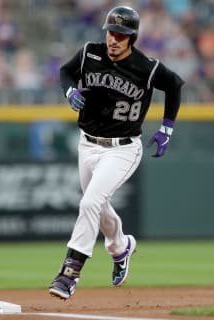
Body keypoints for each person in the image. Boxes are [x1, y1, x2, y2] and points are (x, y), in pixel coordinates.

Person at [48, 6, 184, 300]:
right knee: (98, 208)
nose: (114, 39)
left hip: (122, 149)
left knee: (90, 203)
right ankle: (121, 247)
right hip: (87, 144)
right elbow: (66, 71)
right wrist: (69, 91)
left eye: (121, 35)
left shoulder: (146, 68)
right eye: (111, 32)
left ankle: (69, 273)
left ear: (132, 38)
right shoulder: (89, 53)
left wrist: (167, 129)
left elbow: (174, 86)